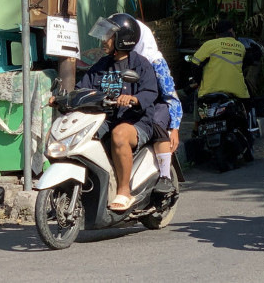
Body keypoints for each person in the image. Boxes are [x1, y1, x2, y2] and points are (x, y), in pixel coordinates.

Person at [52, 13, 174, 211]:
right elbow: (84, 88)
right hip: (105, 119)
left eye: (108, 35)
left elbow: (150, 91)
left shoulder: (141, 64)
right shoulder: (102, 64)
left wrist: (133, 99)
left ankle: (124, 191)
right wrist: (62, 99)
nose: (103, 40)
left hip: (135, 121)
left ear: (122, 38)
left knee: (119, 135)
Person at [134, 20, 183, 153]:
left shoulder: (155, 62)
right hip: (131, 107)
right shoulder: (116, 60)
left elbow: (171, 96)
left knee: (155, 124)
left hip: (156, 106)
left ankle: (165, 172)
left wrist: (174, 129)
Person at [190, 19, 250, 101]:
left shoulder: (210, 44)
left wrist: (199, 82)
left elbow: (195, 63)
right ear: (231, 30)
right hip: (238, 93)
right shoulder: (241, 47)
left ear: (217, 33)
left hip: (210, 91)